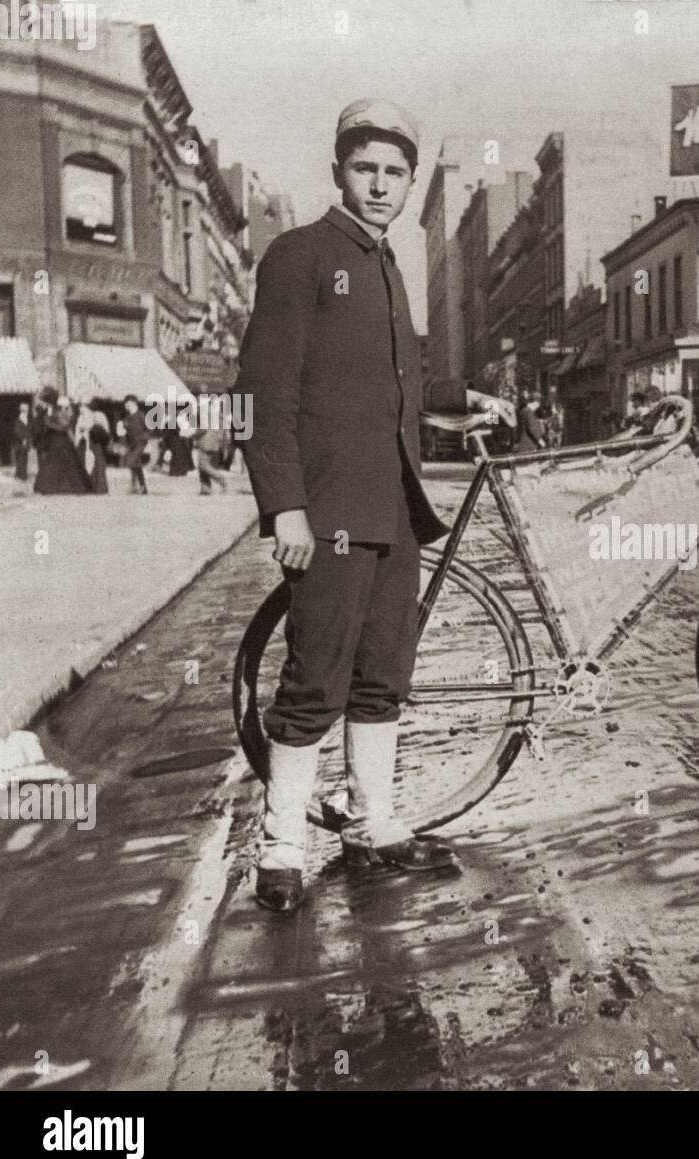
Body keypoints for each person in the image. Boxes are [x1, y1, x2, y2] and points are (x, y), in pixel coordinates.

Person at [237, 98, 514, 913]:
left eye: (396, 172)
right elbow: (260, 393)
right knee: (313, 683)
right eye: (367, 169)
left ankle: (373, 824)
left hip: (395, 511)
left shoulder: (390, 265)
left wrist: (467, 396)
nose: (382, 185)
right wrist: (284, 508)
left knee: (383, 678)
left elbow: (400, 388)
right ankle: (282, 846)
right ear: (338, 172)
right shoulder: (299, 255)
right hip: (327, 516)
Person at [32, 389, 89, 495]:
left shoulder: (64, 413)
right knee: (53, 464)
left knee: (62, 464)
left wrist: (49, 423)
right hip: (55, 441)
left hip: (62, 440)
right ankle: (50, 487)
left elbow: (64, 426)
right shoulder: (50, 412)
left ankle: (56, 488)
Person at [120, 396, 149, 494]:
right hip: (130, 444)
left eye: (128, 404)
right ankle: (140, 486)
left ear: (134, 403)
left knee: (132, 461)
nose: (126, 406)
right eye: (125, 405)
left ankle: (138, 486)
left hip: (140, 443)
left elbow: (148, 430)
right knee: (135, 464)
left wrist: (143, 439)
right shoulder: (127, 417)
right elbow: (123, 431)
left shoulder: (141, 416)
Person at [87, 411, 111, 494]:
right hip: (100, 450)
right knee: (101, 468)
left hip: (96, 449)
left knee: (97, 468)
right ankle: (101, 489)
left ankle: (91, 486)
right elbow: (106, 440)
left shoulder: (93, 429)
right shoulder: (99, 429)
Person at [13, 401, 33, 481]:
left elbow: (29, 429)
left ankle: (21, 474)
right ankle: (21, 475)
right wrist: (23, 439)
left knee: (24, 458)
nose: (27, 411)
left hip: (26, 442)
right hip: (19, 443)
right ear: (22, 410)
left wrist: (28, 439)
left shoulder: (27, 419)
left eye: (27, 409)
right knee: (20, 458)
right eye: (25, 409)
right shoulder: (18, 420)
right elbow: (17, 431)